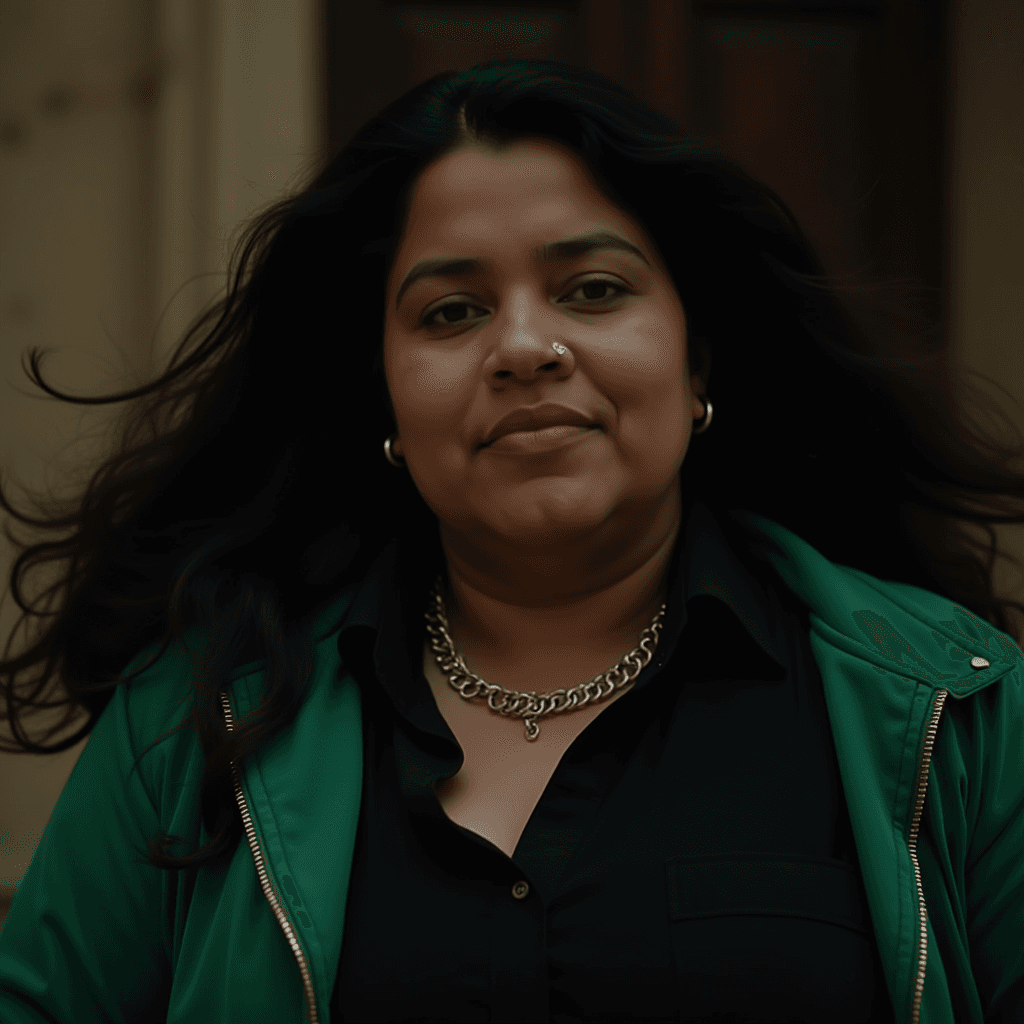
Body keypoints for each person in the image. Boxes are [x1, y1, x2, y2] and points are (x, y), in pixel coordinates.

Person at [0, 57, 1022, 1024]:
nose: (526, 346)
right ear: (386, 396)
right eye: (451, 311)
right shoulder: (193, 719)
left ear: (696, 359)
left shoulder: (951, 709)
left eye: (593, 289)